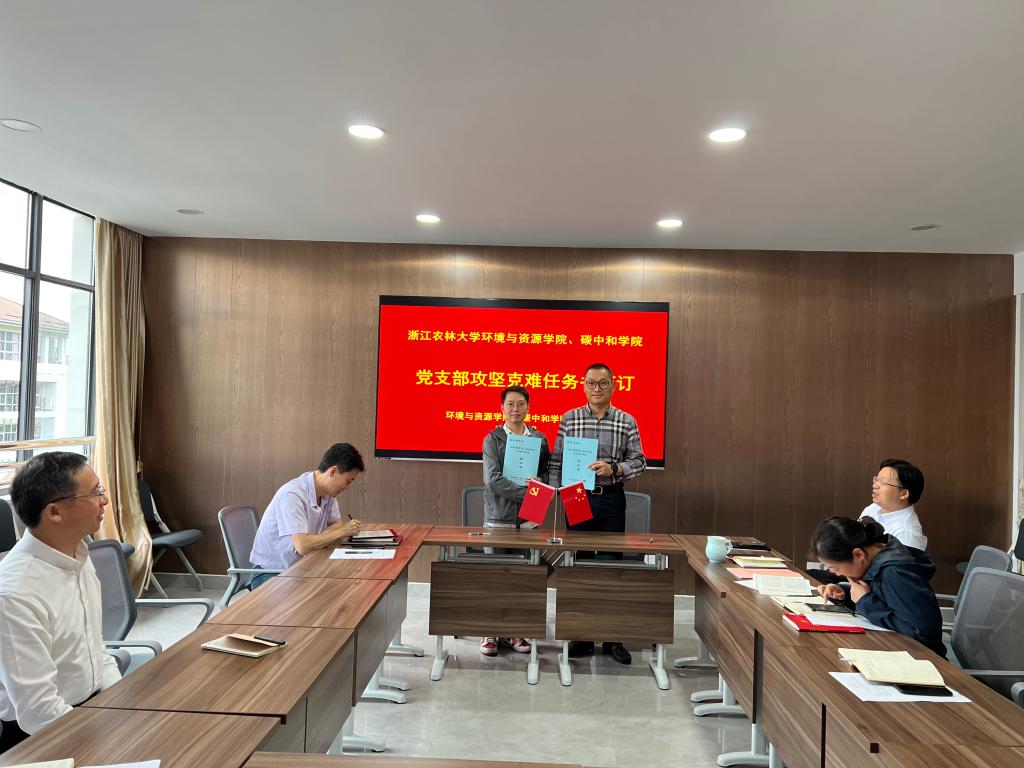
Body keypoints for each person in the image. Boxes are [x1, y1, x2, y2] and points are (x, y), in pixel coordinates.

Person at [0, 452, 122, 752]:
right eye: (95, 493)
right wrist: (109, 742)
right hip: (39, 736)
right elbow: (37, 709)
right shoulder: (14, 592)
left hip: (90, 708)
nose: (104, 501)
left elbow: (96, 647)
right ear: (55, 512)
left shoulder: (77, 554)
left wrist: (121, 707)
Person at [549, 362, 646, 665]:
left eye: (603, 383)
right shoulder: (570, 418)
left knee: (609, 567)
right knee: (578, 566)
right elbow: (556, 461)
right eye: (591, 383)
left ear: (614, 385)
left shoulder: (626, 421)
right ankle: (582, 636)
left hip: (611, 498)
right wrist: (556, 492)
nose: (597, 388)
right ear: (583, 386)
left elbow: (640, 461)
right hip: (577, 497)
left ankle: (613, 637)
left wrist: (614, 468)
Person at [479, 385, 551, 657]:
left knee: (523, 579)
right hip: (499, 519)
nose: (515, 409)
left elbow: (547, 474)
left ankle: (515, 631)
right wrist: (528, 491)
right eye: (510, 404)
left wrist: (541, 484)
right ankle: (490, 631)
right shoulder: (492, 439)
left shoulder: (539, 438)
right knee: (496, 577)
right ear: (502, 408)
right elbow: (493, 481)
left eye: (521, 404)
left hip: (529, 520)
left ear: (529, 407)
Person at [811, 516, 945, 657]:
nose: (836, 574)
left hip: (921, 658)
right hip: (895, 648)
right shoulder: (877, 557)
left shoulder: (894, 574)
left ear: (858, 555)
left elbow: (924, 635)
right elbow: (886, 602)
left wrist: (865, 602)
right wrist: (846, 594)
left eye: (835, 568)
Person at [248, 443, 364, 588]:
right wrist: (341, 532)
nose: (348, 487)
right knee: (326, 592)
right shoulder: (292, 494)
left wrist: (313, 541)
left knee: (342, 585)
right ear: (333, 471)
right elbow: (303, 546)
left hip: (300, 567)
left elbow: (336, 525)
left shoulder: (328, 494)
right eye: (348, 481)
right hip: (271, 573)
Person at [858, 458, 926, 551]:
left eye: (883, 482)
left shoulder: (907, 535)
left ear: (903, 494)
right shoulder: (873, 507)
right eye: (876, 479)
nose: (875, 485)